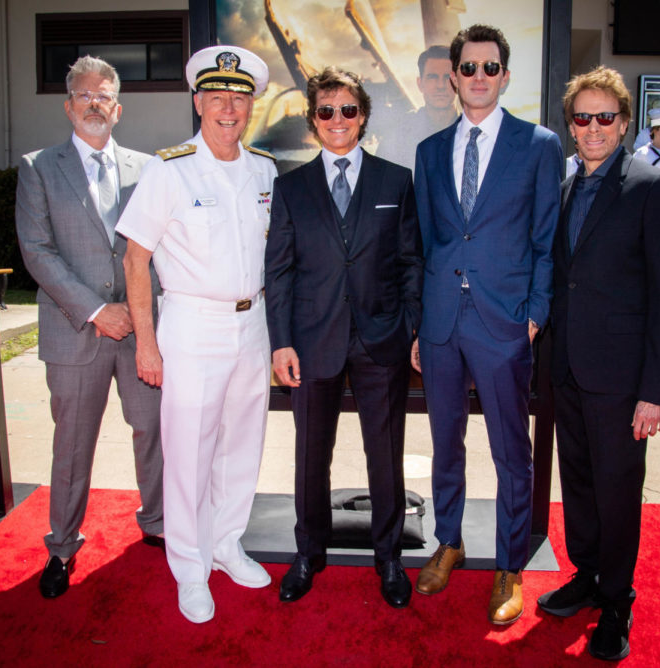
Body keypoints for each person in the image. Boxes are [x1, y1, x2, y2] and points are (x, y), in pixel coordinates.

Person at [117, 45, 276, 625]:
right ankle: (189, 568)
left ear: (251, 106)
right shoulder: (169, 168)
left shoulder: (263, 168)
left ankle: (226, 543)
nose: (228, 109)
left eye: (238, 99)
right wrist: (146, 341)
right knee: (189, 451)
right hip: (192, 324)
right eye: (217, 98)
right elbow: (137, 259)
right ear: (197, 101)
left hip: (252, 322)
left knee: (242, 444)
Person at [410, 24, 562, 625]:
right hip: (443, 323)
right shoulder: (429, 152)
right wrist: (422, 324)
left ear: (504, 75)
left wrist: (536, 313)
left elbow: (546, 239)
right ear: (453, 76)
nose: (477, 78)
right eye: (467, 68)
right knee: (446, 444)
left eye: (488, 68)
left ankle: (509, 564)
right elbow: (427, 244)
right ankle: (449, 541)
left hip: (505, 324)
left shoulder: (539, 144)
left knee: (509, 452)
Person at [538, 66, 660, 662]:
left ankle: (618, 601)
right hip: (568, 369)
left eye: (605, 118)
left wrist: (657, 391)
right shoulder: (569, 184)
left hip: (624, 380)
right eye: (582, 118)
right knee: (577, 483)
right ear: (570, 126)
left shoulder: (652, 186)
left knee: (618, 490)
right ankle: (589, 576)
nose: (593, 128)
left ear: (623, 124)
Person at [265, 67, 423, 609]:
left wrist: (413, 327)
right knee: (312, 456)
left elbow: (410, 262)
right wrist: (281, 342)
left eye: (348, 110)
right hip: (312, 343)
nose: (338, 120)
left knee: (386, 454)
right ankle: (309, 552)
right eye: (326, 111)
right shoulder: (290, 188)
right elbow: (279, 271)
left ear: (363, 117)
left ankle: (389, 559)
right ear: (313, 121)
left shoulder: (395, 181)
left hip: (383, 341)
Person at [15, 56, 164, 600]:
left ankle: (157, 522)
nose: (94, 103)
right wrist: (99, 312)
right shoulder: (37, 167)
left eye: (104, 96)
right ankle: (61, 546)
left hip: (140, 332)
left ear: (118, 107)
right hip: (75, 332)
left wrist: (143, 318)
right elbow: (36, 252)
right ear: (68, 105)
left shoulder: (148, 169)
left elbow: (157, 252)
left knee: (153, 432)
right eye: (84, 95)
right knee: (73, 444)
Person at [376, 45, 459, 171]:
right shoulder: (397, 136)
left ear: (458, 82)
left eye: (447, 78)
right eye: (432, 77)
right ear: (420, 84)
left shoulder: (473, 133)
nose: (441, 85)